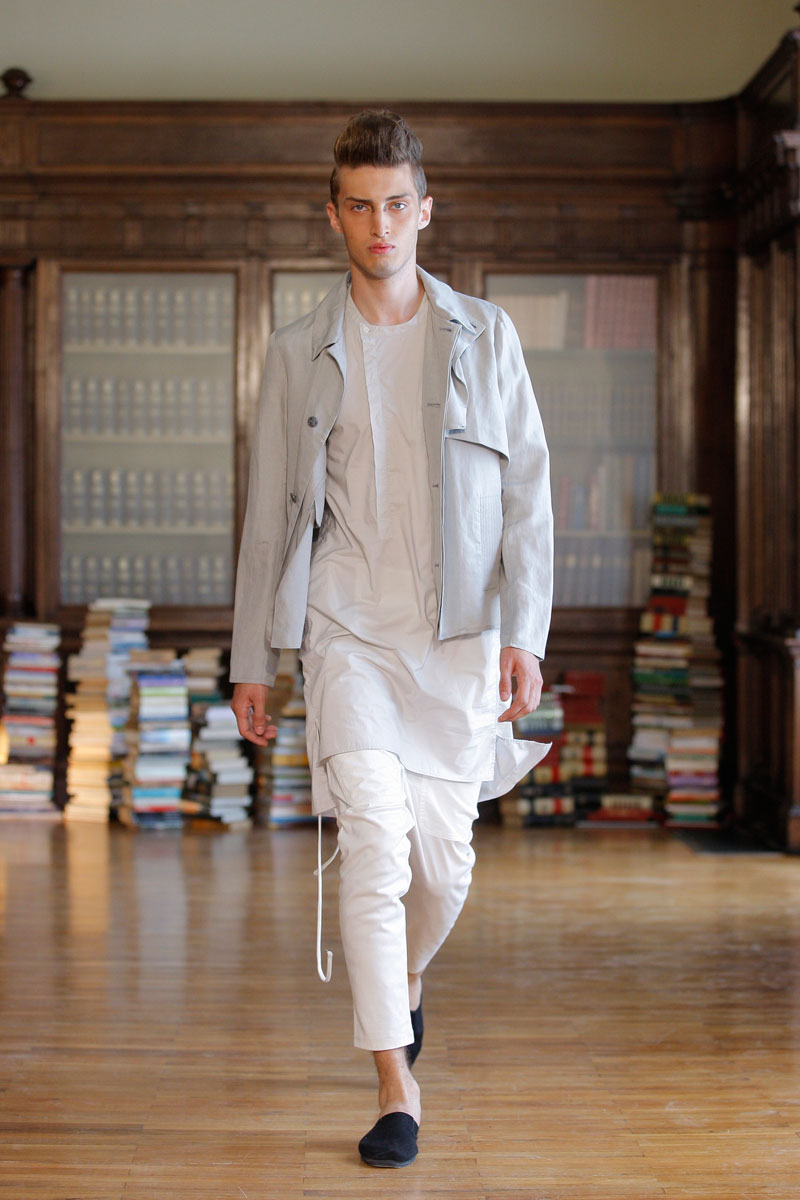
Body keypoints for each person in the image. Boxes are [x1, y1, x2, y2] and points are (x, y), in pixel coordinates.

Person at [230, 110, 553, 1169]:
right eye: (360, 206)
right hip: (346, 633)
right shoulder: (296, 350)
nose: (380, 225)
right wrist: (251, 660)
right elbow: (271, 515)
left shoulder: (486, 336)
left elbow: (528, 495)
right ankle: (393, 1082)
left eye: (397, 205)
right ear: (333, 215)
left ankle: (406, 979)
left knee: (443, 869)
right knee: (372, 841)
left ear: (425, 211)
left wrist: (525, 632)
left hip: (456, 638)